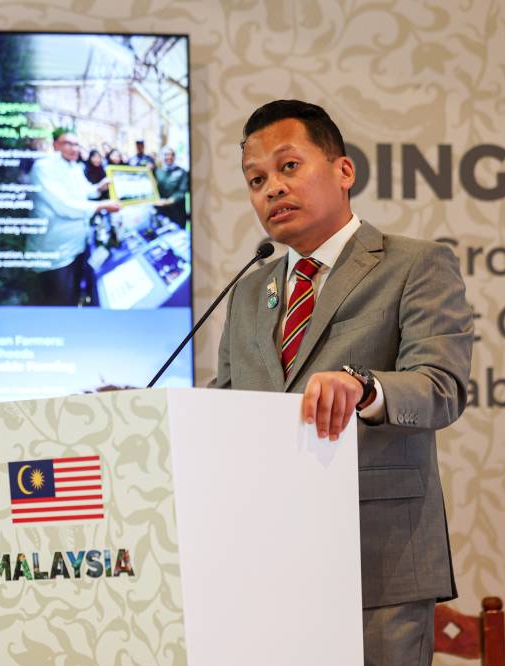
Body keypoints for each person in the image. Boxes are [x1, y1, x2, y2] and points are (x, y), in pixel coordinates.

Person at [214, 99, 472, 666]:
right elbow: (224, 407)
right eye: (256, 180)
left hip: (377, 561)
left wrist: (366, 387)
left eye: (288, 167)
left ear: (343, 170)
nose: (271, 190)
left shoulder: (415, 264)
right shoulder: (250, 291)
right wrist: (145, 413)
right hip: (263, 564)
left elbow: (442, 385)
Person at [27, 128, 120, 305]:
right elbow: (64, 206)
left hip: (78, 247)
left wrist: (99, 188)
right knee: (58, 303)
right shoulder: (44, 167)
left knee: (74, 296)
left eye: (76, 144)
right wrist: (101, 206)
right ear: (55, 145)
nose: (73, 148)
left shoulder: (74, 167)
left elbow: (84, 192)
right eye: (67, 143)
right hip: (55, 254)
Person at [154, 145, 190, 226]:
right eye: (166, 154)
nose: (169, 157)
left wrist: (169, 201)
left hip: (177, 212)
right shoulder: (157, 171)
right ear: (162, 156)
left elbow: (182, 191)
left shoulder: (181, 172)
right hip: (161, 212)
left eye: (171, 154)